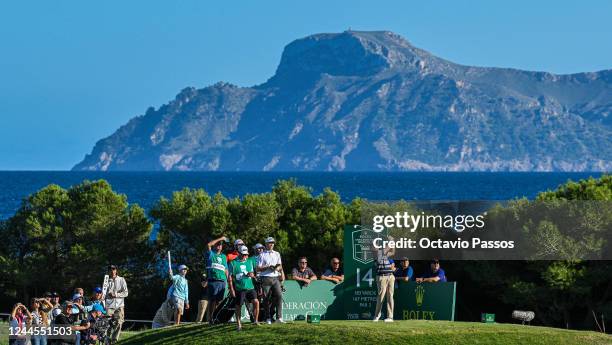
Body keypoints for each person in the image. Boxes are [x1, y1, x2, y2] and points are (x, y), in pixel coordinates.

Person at [228, 245, 260, 331]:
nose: (245, 256)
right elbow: (230, 277)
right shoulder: (233, 263)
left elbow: (254, 273)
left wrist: (252, 275)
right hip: (239, 288)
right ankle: (239, 324)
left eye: (246, 254)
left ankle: (256, 321)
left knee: (256, 302)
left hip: (250, 287)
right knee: (238, 306)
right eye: (243, 254)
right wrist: (231, 289)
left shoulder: (250, 261)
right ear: (238, 253)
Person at [257, 236, 285, 324]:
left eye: (272, 243)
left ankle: (279, 318)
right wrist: (267, 266)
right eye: (269, 243)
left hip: (275, 277)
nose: (271, 244)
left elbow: (280, 266)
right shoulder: (262, 254)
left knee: (279, 296)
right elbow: (258, 268)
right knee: (266, 298)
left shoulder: (277, 253)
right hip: (265, 278)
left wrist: (276, 268)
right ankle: (267, 318)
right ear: (266, 244)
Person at [205, 236, 229, 324]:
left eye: (220, 245)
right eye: (217, 245)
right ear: (215, 246)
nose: (219, 246)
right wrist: (221, 238)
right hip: (213, 280)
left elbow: (226, 269)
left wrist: (228, 282)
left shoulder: (223, 256)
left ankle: (215, 317)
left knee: (219, 301)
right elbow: (208, 245)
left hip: (222, 281)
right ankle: (210, 319)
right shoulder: (211, 254)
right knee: (212, 300)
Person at [104, 264, 128, 343]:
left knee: (119, 322)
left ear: (116, 270)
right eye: (110, 269)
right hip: (109, 305)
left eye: (113, 269)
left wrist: (116, 295)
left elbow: (126, 293)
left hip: (119, 305)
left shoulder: (121, 279)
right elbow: (103, 293)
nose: (112, 271)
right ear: (108, 271)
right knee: (107, 323)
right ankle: (107, 339)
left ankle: (114, 340)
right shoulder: (106, 280)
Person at [372, 242, 395, 322]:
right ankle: (377, 316)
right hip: (382, 277)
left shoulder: (385, 254)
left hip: (390, 276)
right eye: (373, 246)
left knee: (390, 297)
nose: (375, 247)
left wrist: (393, 244)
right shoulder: (376, 254)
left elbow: (392, 254)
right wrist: (392, 241)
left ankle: (390, 317)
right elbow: (387, 248)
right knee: (381, 296)